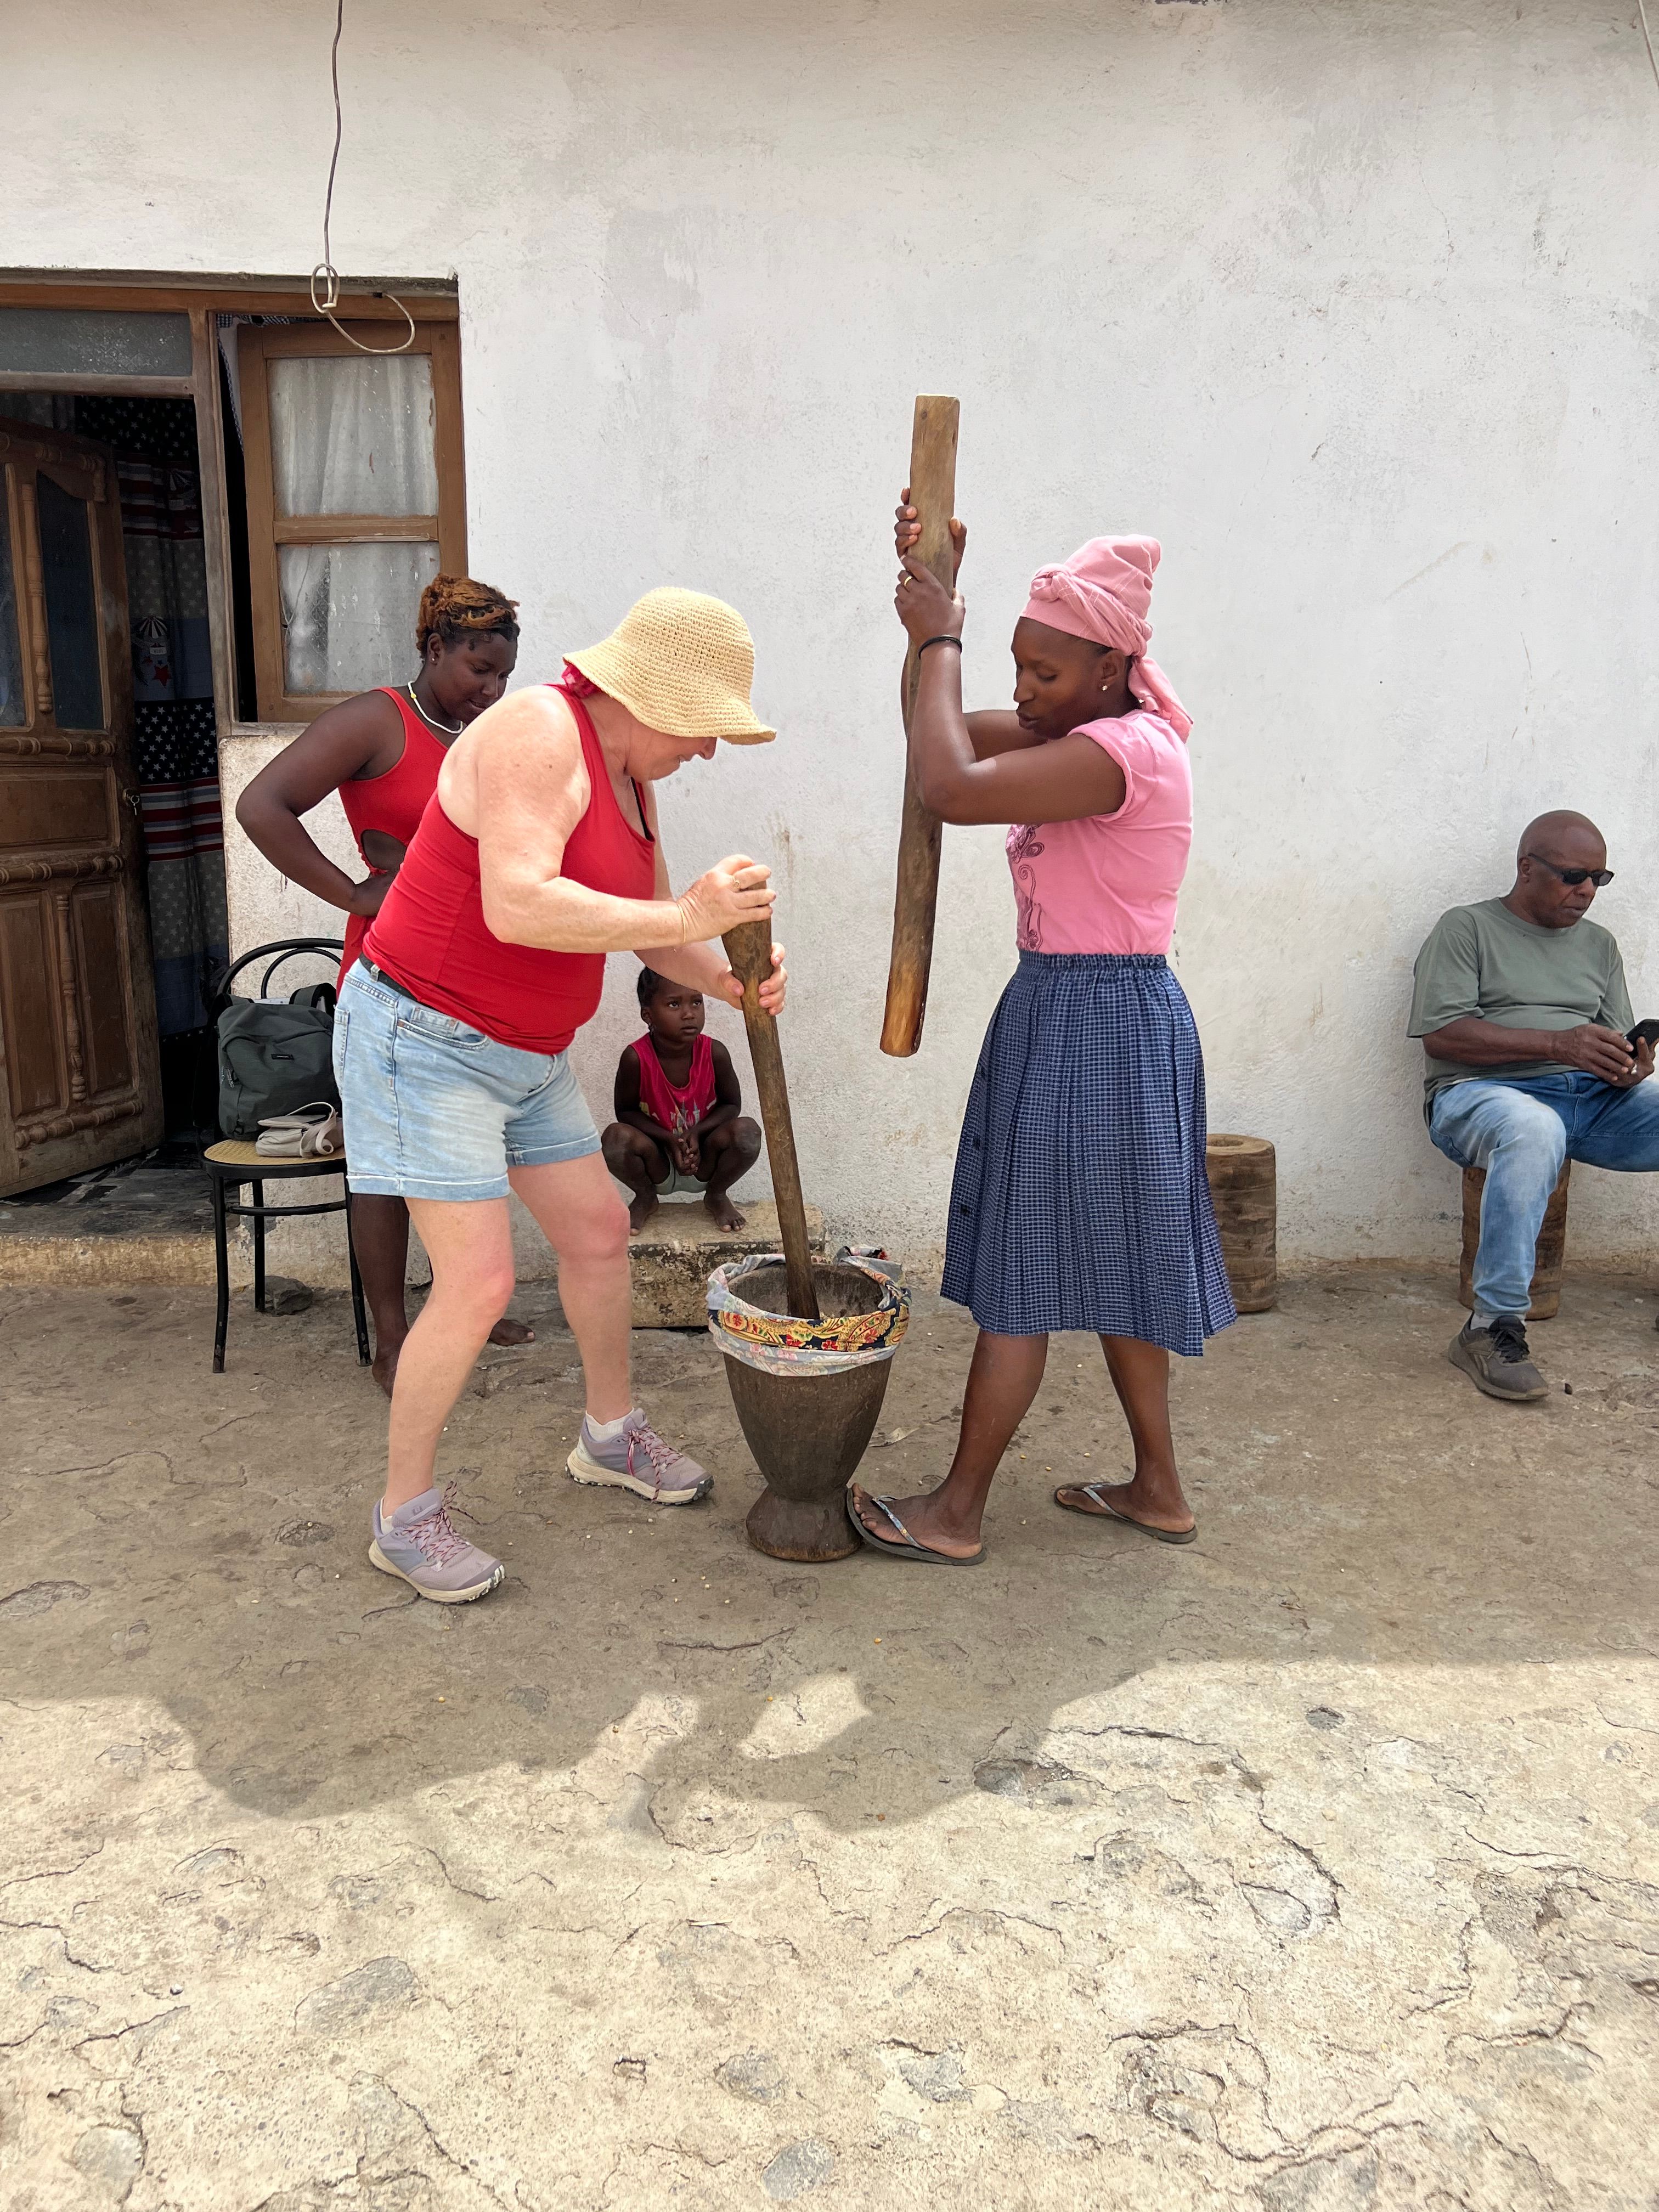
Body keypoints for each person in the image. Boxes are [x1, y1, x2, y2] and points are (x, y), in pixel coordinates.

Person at [334, 586, 787, 1602]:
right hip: (423, 1032)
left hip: (523, 1049)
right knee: (478, 1282)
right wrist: (686, 906)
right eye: (705, 727)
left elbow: (649, 926)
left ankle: (608, 1435)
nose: (710, 751)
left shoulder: (631, 777)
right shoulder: (538, 729)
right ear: (652, 694)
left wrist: (725, 978)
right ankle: (402, 1518)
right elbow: (519, 900)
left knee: (592, 1235)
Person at [848, 501, 1235, 1565]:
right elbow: (937, 733)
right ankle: (1158, 1487)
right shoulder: (1088, 732)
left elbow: (946, 784)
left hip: (1094, 1023)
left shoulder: (1126, 755)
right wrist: (932, 611)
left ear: (1114, 668)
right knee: (1116, 1258)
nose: (1020, 692)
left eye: (1045, 675)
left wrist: (943, 633)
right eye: (1015, 667)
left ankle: (957, 1513)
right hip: (1086, 1014)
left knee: (1028, 1268)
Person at [234, 574, 534, 1391]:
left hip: (482, 970)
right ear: (434, 649)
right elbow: (263, 805)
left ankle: (466, 1300)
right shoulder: (377, 721)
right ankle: (395, 1340)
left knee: (473, 1145)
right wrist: (356, 892)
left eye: (504, 674)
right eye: (478, 668)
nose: (493, 689)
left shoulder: (488, 728)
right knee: (386, 1164)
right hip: (393, 973)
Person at [1409, 810, 1656, 1402]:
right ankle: (1490, 1328)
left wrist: (1629, 1066)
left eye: (1600, 878)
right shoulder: (1465, 928)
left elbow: (1611, 1041)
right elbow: (1442, 1034)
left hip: (1590, 1100)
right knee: (1533, 1126)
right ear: (1527, 868)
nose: (1587, 892)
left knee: (1558, 1120)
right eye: (1574, 876)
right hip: (1479, 1096)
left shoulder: (1599, 945)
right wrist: (1557, 1044)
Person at [602, 967, 761, 1231]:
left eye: (696, 1002)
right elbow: (625, 1111)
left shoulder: (714, 1053)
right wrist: (669, 1139)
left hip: (704, 1157)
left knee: (747, 1132)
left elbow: (732, 1105)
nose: (689, 1014)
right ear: (648, 1015)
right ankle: (645, 1196)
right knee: (615, 1138)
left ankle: (717, 1194)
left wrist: (697, 1132)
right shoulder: (636, 1058)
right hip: (659, 1161)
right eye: (674, 1004)